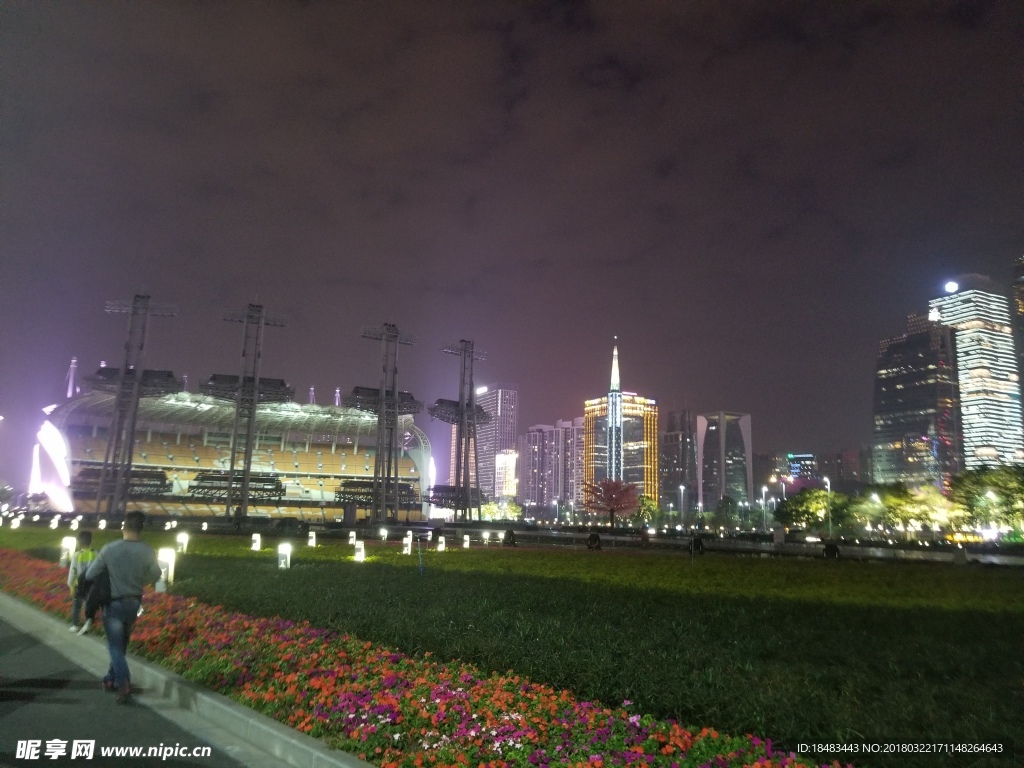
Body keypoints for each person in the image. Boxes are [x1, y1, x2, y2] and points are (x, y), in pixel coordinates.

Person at [84, 510, 161, 704]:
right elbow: (156, 575)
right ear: (140, 529)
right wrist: (138, 578)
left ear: (123, 527)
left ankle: (124, 683)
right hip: (134, 602)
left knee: (114, 647)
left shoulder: (110, 549)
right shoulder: (148, 551)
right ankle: (110, 679)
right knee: (122, 644)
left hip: (113, 603)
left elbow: (91, 574)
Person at [67, 529, 96, 631]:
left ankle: (75, 625)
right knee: (88, 605)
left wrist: (70, 585)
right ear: (91, 541)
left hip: (79, 584)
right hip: (91, 584)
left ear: (79, 542)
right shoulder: (96, 554)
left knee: (76, 605)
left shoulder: (77, 555)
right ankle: (88, 623)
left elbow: (72, 571)